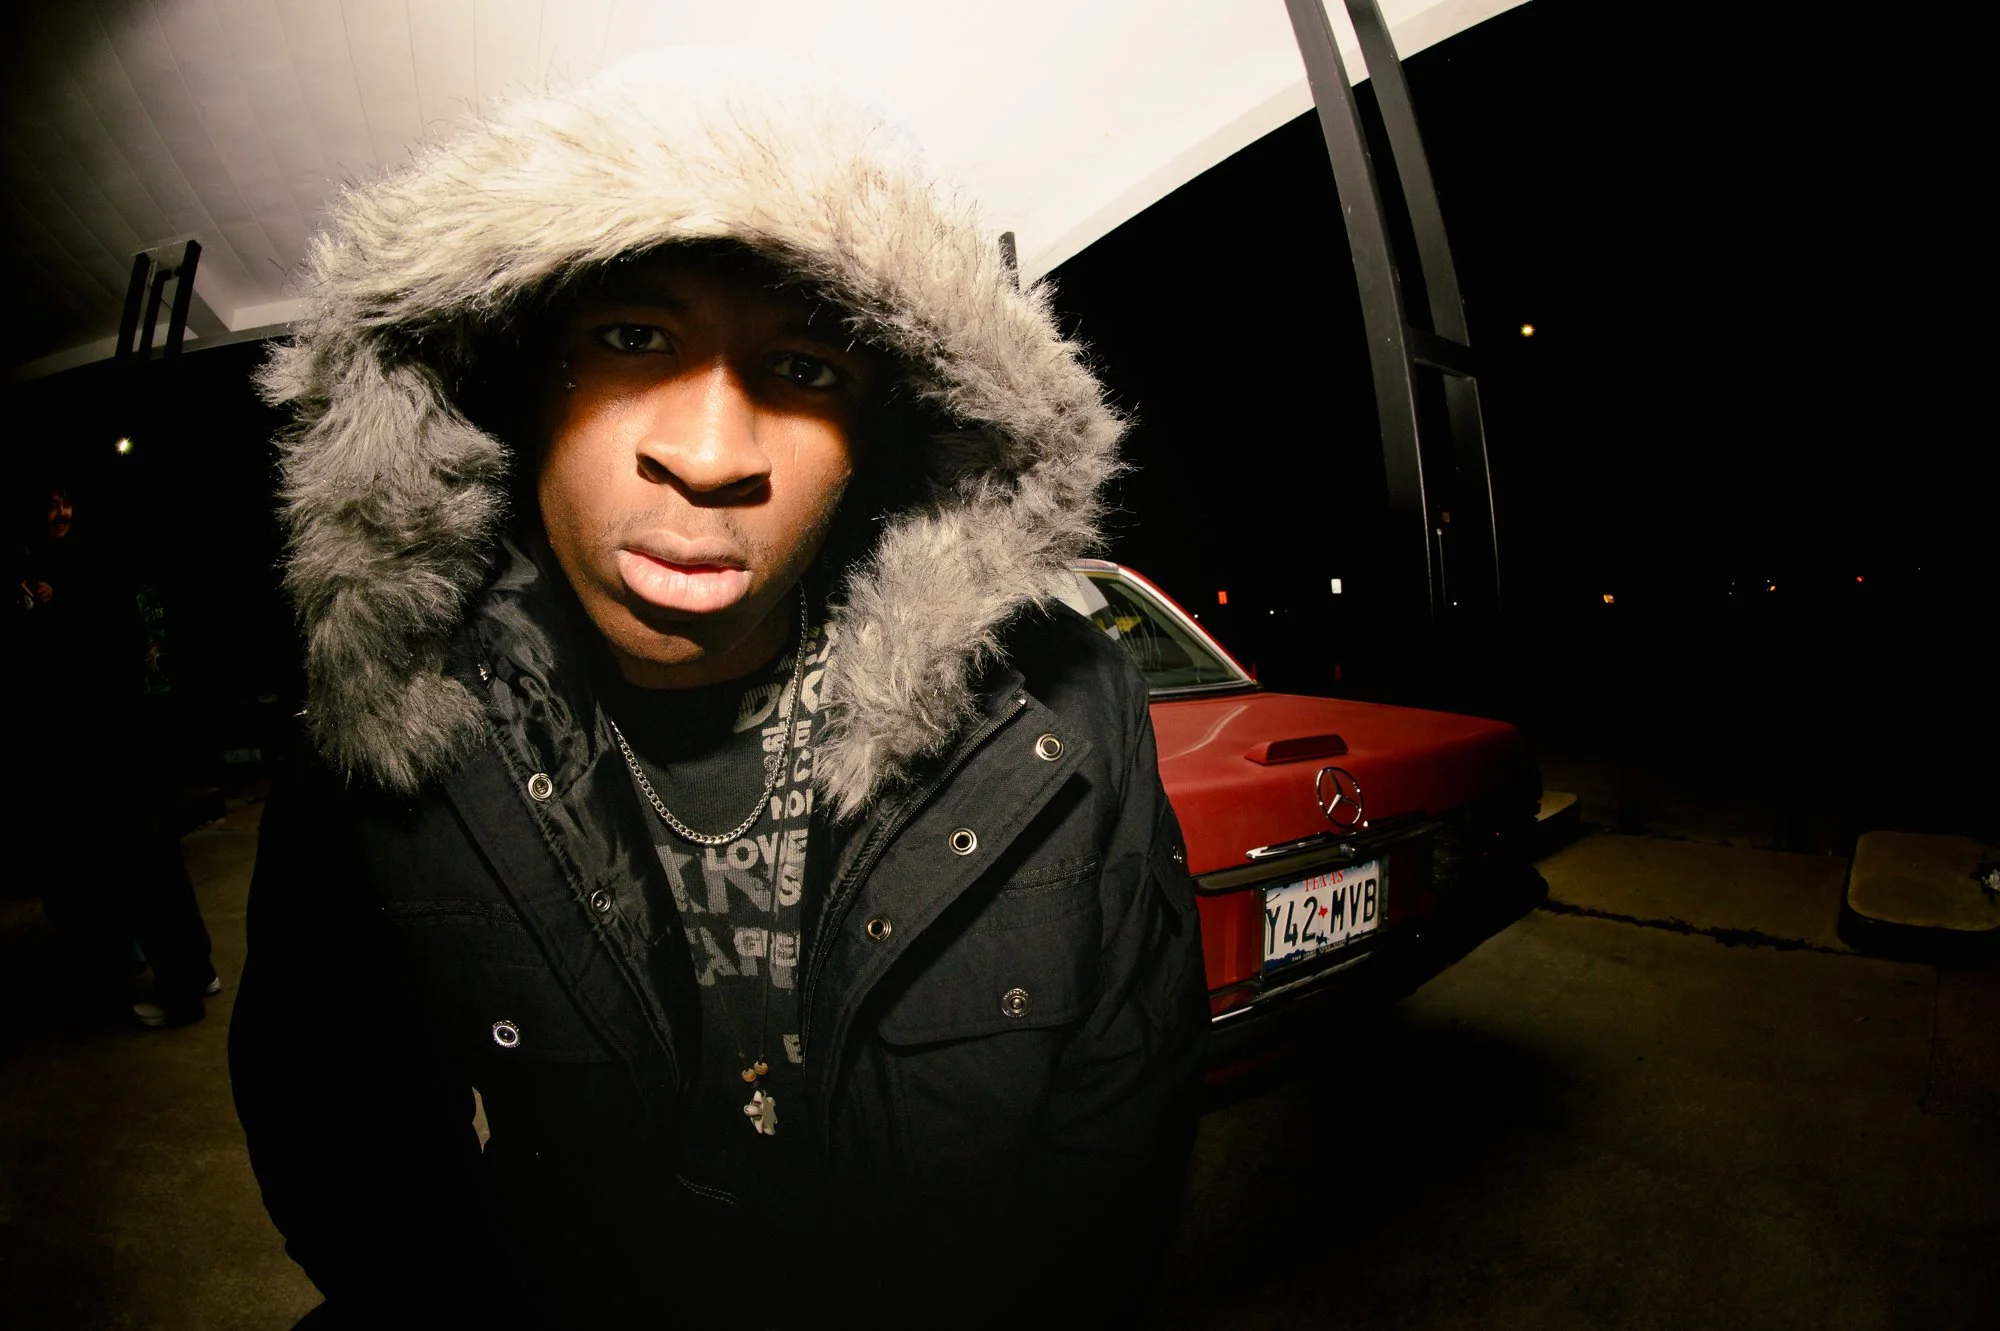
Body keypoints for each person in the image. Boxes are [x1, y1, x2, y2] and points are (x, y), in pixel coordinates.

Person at [230, 57, 1207, 1330]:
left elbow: (1114, 1149)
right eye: (633, 338)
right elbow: (345, 1149)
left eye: (804, 366)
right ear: (520, 381)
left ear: (880, 436)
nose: (705, 454)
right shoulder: (399, 716)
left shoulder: (1058, 718)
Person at [17, 484, 217, 1026]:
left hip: (103, 740)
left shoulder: (78, 564)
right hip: (108, 738)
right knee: (142, 856)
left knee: (137, 858)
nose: (61, 513)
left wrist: (55, 609)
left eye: (64, 502)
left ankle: (181, 985)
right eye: (51, 504)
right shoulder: (58, 560)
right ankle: (188, 970)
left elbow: (100, 648)